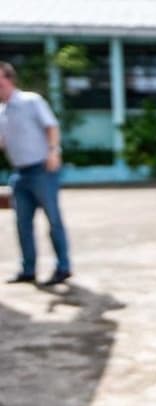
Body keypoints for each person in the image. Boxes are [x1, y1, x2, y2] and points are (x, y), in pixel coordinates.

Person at [0, 61, 72, 286]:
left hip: (42, 170)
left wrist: (53, 151)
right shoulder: (1, 112)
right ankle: (28, 269)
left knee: (53, 220)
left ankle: (63, 267)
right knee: (22, 224)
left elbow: (51, 126)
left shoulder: (31, 101)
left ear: (9, 79)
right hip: (19, 174)